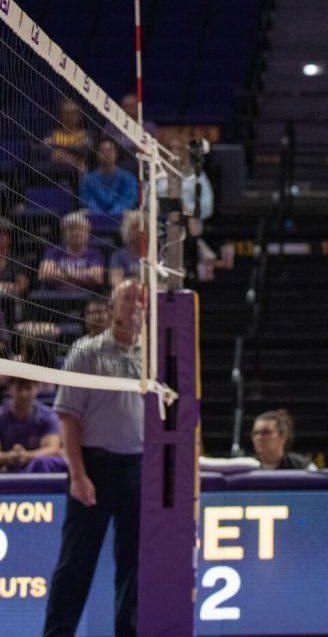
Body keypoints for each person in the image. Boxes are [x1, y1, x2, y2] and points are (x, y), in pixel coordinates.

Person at [44, 281, 146, 637]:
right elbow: (68, 419)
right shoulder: (85, 352)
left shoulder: (153, 356)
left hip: (138, 468)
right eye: (128, 299)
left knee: (133, 565)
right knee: (75, 563)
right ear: (113, 306)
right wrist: (77, 475)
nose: (135, 306)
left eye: (140, 300)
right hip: (94, 467)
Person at [0, 376, 65, 473]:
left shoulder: (47, 416)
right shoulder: (1, 415)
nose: (24, 394)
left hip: (37, 470)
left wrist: (26, 456)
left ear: (37, 389)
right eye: (19, 389)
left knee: (45, 462)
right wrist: (10, 457)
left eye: (28, 388)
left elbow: (52, 449)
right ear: (10, 389)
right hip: (6, 471)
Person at [38, 210, 106, 292]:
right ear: (63, 233)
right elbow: (44, 274)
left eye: (80, 229)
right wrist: (84, 275)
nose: (75, 233)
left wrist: (61, 273)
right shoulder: (53, 251)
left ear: (88, 233)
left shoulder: (95, 254)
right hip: (55, 298)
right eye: (71, 229)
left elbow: (97, 278)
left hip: (84, 299)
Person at [80, 138, 138, 225]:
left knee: (138, 217)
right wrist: (99, 213)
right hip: (94, 213)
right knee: (75, 216)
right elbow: (87, 199)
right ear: (97, 155)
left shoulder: (129, 177)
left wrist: (113, 212)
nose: (106, 154)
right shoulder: (88, 179)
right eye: (102, 151)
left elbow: (129, 199)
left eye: (110, 150)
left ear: (116, 154)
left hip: (122, 213)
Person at [250, 409, 315, 470]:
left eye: (266, 432)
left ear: (283, 436)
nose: (259, 437)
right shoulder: (246, 467)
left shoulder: (303, 467)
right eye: (255, 433)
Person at [45, 96, 92, 171]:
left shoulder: (85, 134)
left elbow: (84, 151)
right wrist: (73, 149)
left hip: (76, 170)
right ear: (61, 116)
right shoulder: (52, 133)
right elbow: (44, 149)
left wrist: (59, 148)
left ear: (79, 116)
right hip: (53, 169)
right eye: (66, 113)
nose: (69, 117)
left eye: (72, 113)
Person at [108, 210, 147, 288]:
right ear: (127, 230)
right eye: (136, 226)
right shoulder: (118, 256)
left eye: (145, 226)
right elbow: (115, 282)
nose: (140, 230)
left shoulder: (157, 254)